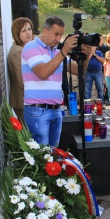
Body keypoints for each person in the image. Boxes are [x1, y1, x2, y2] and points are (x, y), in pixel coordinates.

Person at [21, 16, 91, 146]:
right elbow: (43, 72)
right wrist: (64, 51)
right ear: (45, 31)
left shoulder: (56, 52)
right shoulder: (31, 47)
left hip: (56, 110)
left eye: (61, 35)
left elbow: (80, 71)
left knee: (53, 155)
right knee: (41, 156)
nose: (59, 39)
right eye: (56, 34)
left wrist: (88, 56)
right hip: (37, 110)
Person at [8, 17, 33, 122]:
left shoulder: (26, 48)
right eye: (23, 31)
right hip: (22, 101)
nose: (28, 33)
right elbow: (22, 81)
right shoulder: (18, 51)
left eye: (29, 29)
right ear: (16, 33)